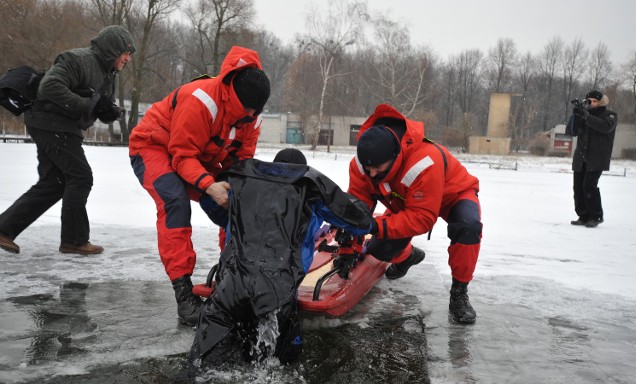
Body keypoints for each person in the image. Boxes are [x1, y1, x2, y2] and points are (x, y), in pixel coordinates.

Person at [128, 46, 271, 327]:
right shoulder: (201, 101)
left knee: (235, 202)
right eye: (247, 110)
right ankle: (184, 296)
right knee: (175, 202)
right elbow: (182, 156)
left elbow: (242, 160)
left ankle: (231, 273)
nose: (251, 116)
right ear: (233, 95)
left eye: (256, 112)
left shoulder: (251, 118)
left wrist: (232, 187)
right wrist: (209, 184)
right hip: (154, 148)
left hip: (197, 158)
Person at [190, 149, 374, 365]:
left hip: (230, 285)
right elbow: (356, 219)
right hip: (277, 289)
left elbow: (211, 202)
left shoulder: (243, 182)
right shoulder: (309, 190)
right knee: (275, 368)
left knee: (203, 363)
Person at [0, 25, 135, 255]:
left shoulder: (108, 73)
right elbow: (49, 86)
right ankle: (74, 240)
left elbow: (91, 100)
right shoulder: (78, 59)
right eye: (125, 52)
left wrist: (106, 110)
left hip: (59, 125)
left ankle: (3, 229)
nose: (127, 59)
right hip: (50, 121)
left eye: (130, 55)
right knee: (81, 176)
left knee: (55, 182)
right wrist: (90, 104)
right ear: (113, 49)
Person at [347, 104, 482, 324]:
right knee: (378, 248)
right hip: (406, 199)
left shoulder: (424, 162)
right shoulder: (362, 166)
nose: (371, 174)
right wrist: (348, 249)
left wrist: (375, 226)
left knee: (468, 227)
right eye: (367, 168)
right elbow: (355, 211)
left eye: (378, 169)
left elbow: (422, 218)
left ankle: (459, 292)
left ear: (395, 155)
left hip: (453, 195)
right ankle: (408, 255)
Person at [566, 90, 617, 228]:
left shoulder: (610, 116)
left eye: (594, 101)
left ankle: (596, 215)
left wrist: (587, 116)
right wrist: (576, 115)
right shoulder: (584, 115)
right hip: (581, 157)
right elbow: (571, 132)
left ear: (600, 102)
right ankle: (583, 216)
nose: (592, 104)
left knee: (589, 186)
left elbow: (604, 127)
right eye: (589, 101)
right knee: (578, 187)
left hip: (597, 158)